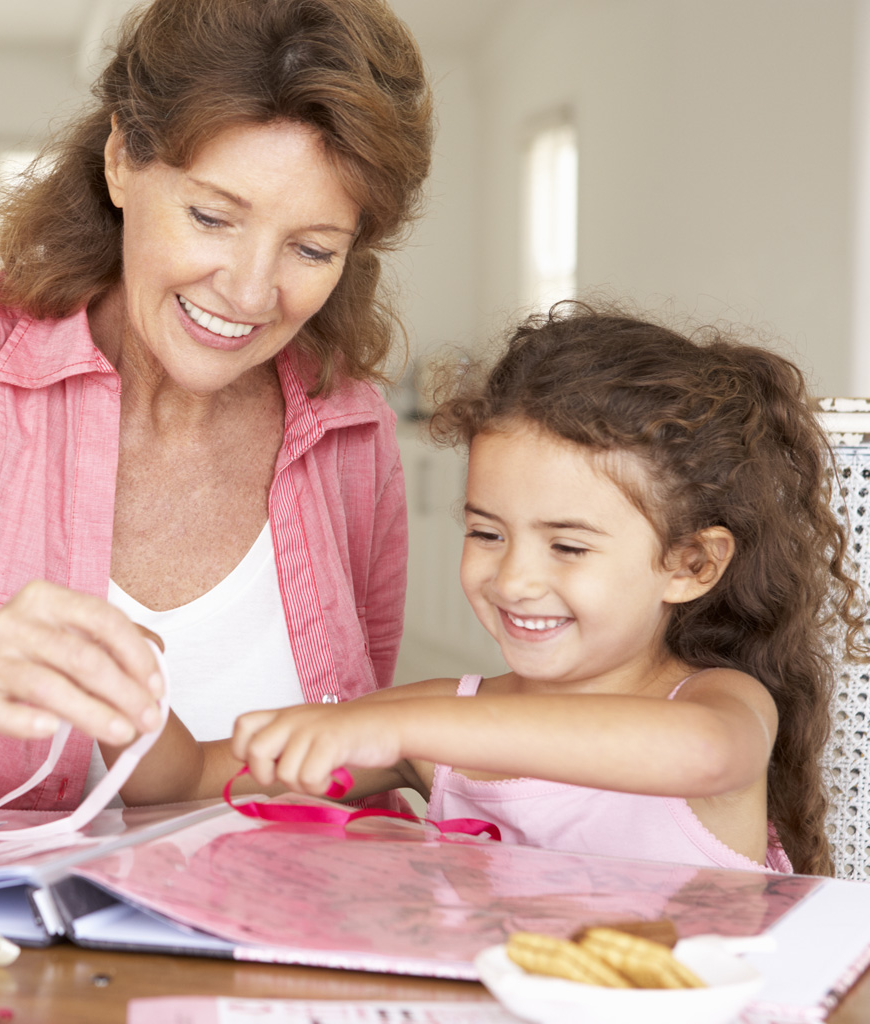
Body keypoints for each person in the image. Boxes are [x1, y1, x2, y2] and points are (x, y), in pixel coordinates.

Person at [0, 0, 432, 809]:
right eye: (211, 216)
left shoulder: (351, 429)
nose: (248, 290)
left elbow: (352, 766)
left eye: (311, 249)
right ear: (124, 157)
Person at [149, 304, 864, 877]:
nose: (515, 579)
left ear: (690, 564)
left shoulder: (716, 708)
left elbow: (706, 753)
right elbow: (190, 779)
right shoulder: (441, 721)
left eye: (569, 546)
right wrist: (127, 708)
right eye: (487, 533)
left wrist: (396, 728)